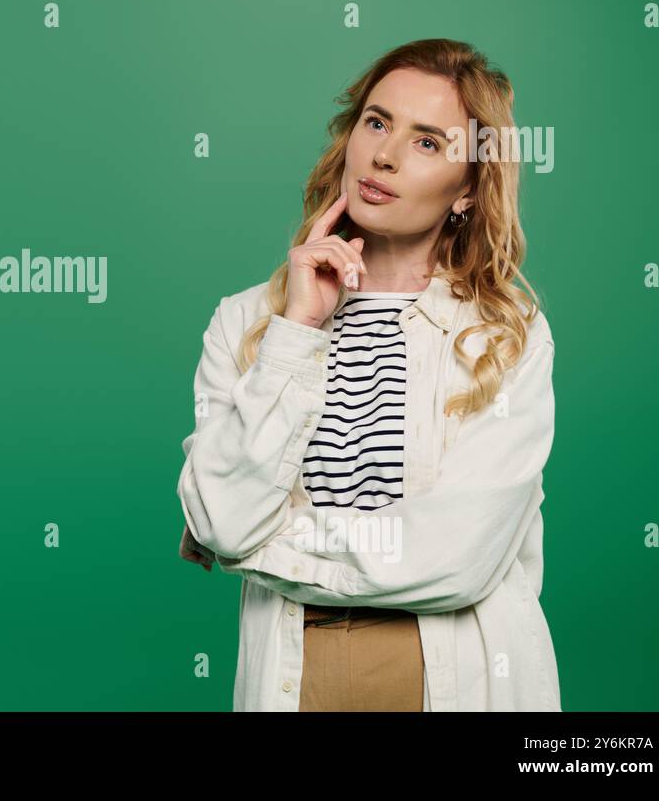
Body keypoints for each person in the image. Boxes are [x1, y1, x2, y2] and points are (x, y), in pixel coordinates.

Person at [176, 38, 560, 711]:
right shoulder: (245, 323)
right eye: (377, 122)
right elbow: (224, 515)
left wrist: (251, 546)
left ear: (469, 188)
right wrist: (296, 331)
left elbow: (457, 557)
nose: (384, 154)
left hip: (454, 677)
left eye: (428, 142)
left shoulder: (506, 334)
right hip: (294, 676)